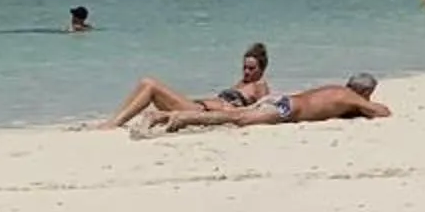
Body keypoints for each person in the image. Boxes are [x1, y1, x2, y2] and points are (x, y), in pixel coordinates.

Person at [94, 44, 274, 130]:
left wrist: (230, 109)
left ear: (262, 68)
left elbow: (262, 108)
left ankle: (113, 124)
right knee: (146, 84)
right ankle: (115, 120)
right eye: (244, 67)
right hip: (198, 107)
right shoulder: (243, 83)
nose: (246, 71)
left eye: (251, 68)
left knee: (149, 84)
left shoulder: (260, 85)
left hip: (202, 113)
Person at [142, 72, 391, 133]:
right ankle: (181, 117)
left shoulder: (336, 90)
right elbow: (382, 113)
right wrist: (365, 105)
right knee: (237, 119)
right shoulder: (350, 96)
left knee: (239, 115)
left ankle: (161, 115)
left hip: (283, 100)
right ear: (364, 91)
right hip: (287, 109)